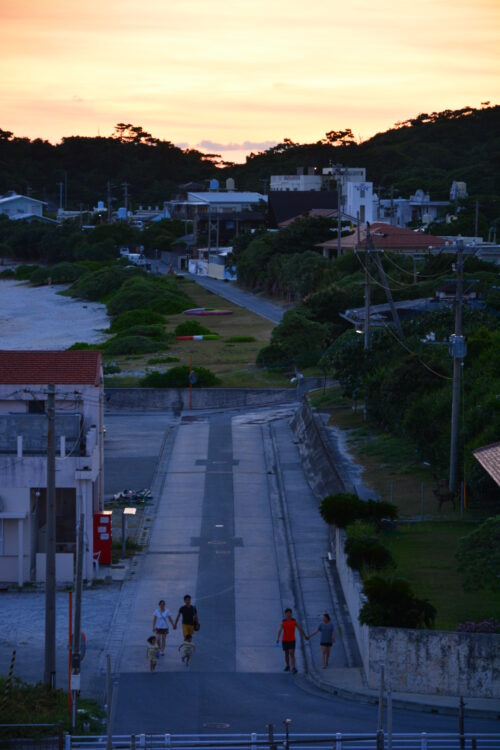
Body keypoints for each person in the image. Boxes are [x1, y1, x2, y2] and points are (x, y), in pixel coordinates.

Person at [276, 608, 309, 674]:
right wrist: (278, 638)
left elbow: (300, 629)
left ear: (291, 613)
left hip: (292, 640)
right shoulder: (283, 622)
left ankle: (293, 667)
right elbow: (279, 630)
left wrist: (305, 636)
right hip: (285, 640)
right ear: (285, 614)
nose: (288, 614)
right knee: (286, 654)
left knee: (291, 653)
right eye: (287, 613)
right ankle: (288, 665)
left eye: (289, 613)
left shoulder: (294, 621)